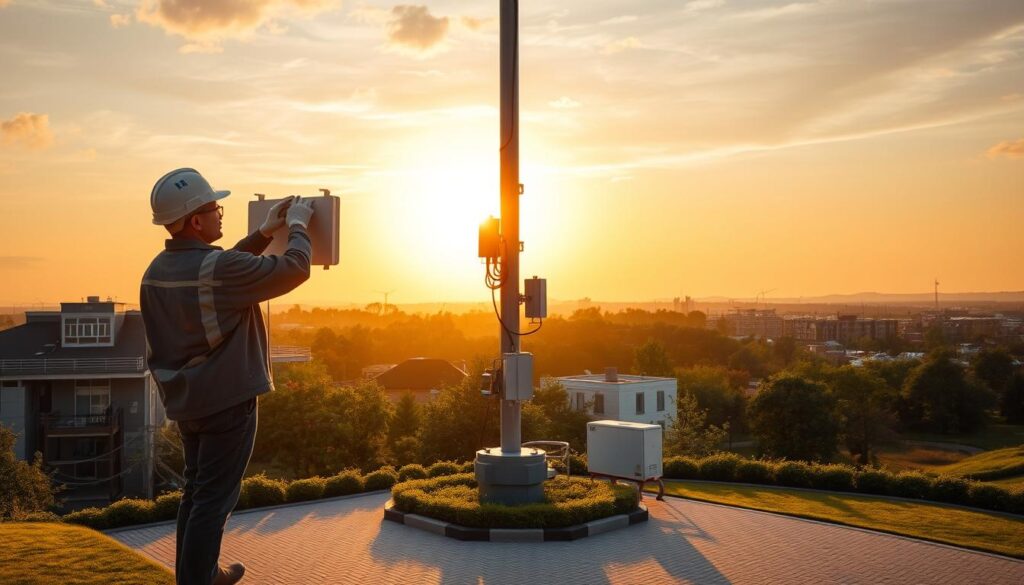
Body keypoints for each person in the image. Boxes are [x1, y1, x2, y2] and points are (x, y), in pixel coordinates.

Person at [141, 168, 315, 585]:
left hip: (187, 401)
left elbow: (222, 269)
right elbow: (294, 269)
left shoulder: (157, 270)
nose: (221, 214)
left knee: (197, 492)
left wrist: (262, 231)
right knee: (214, 502)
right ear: (196, 221)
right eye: (215, 208)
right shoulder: (215, 270)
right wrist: (297, 227)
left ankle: (200, 574)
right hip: (227, 401)